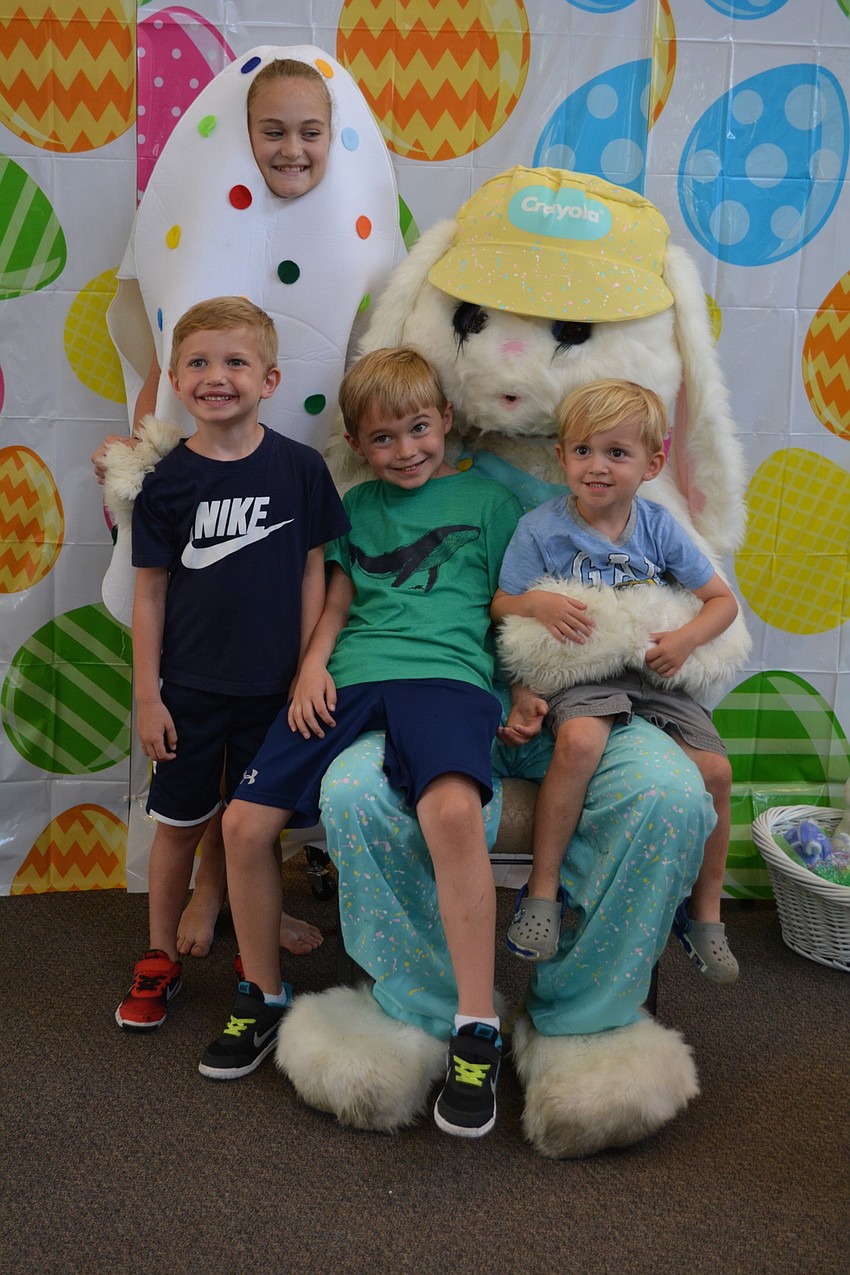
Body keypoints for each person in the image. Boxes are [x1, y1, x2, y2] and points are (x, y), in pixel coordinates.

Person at [96, 49, 399, 961]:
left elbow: (367, 340)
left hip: (291, 502)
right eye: (273, 131)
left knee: (257, 777)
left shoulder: (345, 226)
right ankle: (190, 908)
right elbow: (164, 337)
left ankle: (239, 893)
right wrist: (144, 442)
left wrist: (313, 655)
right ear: (247, 134)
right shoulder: (184, 440)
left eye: (311, 132)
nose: (292, 148)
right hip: (194, 634)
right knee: (190, 784)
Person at [204, 347, 521, 1138]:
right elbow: (340, 601)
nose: (406, 450)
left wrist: (526, 689)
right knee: (243, 823)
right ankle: (263, 994)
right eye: (383, 439)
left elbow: (508, 609)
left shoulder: (490, 501)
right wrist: (311, 664)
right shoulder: (356, 504)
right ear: (356, 442)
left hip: (447, 677)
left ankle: (475, 1024)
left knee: (450, 814)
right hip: (350, 675)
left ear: (446, 419)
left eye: (419, 429)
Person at [114, 296, 349, 1031]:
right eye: (200, 363)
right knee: (179, 823)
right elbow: (148, 595)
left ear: (270, 379)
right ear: (178, 382)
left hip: (273, 693)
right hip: (187, 691)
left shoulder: (302, 469)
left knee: (257, 826)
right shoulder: (165, 482)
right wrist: (148, 695)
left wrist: (306, 666)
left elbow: (315, 572)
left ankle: (254, 953)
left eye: (236, 362)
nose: (218, 376)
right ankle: (158, 955)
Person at [491, 378, 739, 983]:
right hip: (587, 669)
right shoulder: (541, 529)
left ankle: (704, 912)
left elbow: (720, 602)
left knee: (716, 771)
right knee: (580, 742)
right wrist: (539, 605)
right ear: (561, 457)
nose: (596, 467)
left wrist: (682, 641)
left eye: (616, 453)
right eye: (582, 451)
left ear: (652, 463)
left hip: (654, 671)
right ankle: (542, 892)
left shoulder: (657, 527)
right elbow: (500, 603)